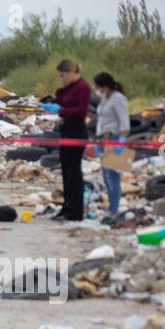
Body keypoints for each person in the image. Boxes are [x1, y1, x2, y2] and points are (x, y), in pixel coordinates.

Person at [45, 59, 92, 221]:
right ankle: (66, 207)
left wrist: (62, 109)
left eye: (63, 76)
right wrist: (51, 102)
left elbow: (80, 110)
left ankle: (75, 211)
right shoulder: (68, 88)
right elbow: (61, 98)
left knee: (74, 172)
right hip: (65, 130)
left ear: (72, 72)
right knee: (65, 171)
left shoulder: (83, 87)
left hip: (77, 132)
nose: (62, 79)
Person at [91, 71, 130, 217]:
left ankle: (114, 209)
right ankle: (111, 208)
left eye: (100, 87)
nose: (98, 90)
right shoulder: (104, 98)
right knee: (105, 176)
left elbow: (124, 122)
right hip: (102, 138)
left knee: (113, 176)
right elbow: (101, 119)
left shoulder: (119, 99)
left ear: (106, 86)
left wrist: (121, 141)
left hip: (114, 138)